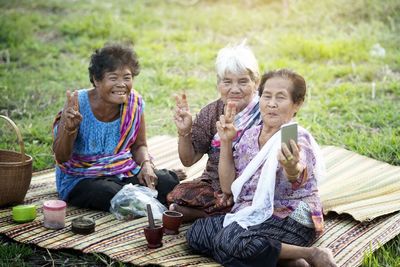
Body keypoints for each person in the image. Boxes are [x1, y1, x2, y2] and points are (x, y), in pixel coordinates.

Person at [186, 69, 337, 267]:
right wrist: (226, 142)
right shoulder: (249, 136)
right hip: (251, 215)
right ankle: (288, 261)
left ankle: (313, 254)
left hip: (290, 217)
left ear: (296, 104)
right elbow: (227, 188)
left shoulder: (295, 136)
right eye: (267, 96)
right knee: (197, 234)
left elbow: (297, 173)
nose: (272, 104)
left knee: (231, 239)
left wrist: (291, 167)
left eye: (280, 97)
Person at [52, 44, 179, 211]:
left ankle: (133, 199)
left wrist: (146, 165)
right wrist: (69, 129)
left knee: (167, 181)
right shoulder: (77, 104)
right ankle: (141, 199)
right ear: (96, 80)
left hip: (121, 171)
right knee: (105, 192)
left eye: (127, 78)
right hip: (82, 177)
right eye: (113, 78)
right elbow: (61, 157)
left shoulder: (134, 104)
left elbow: (139, 146)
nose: (121, 84)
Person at [167, 41, 262, 222]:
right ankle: (224, 211)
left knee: (260, 199)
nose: (234, 89)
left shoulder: (265, 112)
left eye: (243, 81)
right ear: (218, 84)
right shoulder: (212, 112)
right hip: (215, 185)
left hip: (252, 185)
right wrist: (184, 131)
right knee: (179, 193)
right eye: (227, 82)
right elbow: (188, 160)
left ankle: (212, 213)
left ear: (256, 83)